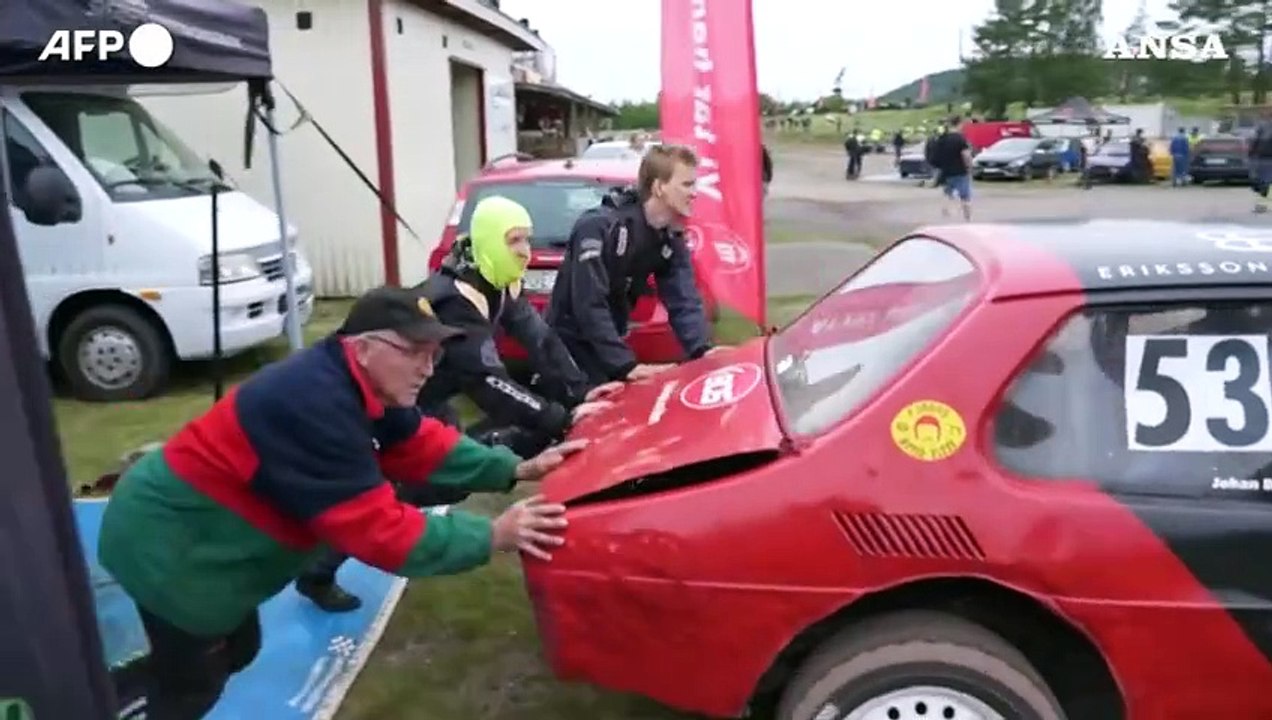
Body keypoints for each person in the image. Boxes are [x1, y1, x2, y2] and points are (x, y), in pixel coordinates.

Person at [97, 286, 583, 719]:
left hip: (191, 536)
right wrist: (493, 534)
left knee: (237, 651)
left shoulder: (360, 381)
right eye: (414, 350)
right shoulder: (315, 405)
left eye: (434, 353)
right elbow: (378, 530)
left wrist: (511, 468)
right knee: (193, 686)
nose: (428, 368)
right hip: (168, 545)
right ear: (364, 348)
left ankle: (110, 692)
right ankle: (112, 697)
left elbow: (419, 442)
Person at [294, 197, 621, 613]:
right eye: (514, 241)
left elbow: (541, 340)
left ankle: (369, 529)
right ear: (488, 242)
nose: (525, 251)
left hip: (426, 398)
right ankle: (316, 571)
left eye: (527, 239)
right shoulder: (458, 301)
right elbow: (489, 383)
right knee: (386, 497)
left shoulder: (496, 280)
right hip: (378, 403)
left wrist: (579, 392)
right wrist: (562, 418)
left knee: (442, 481)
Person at [546, 143, 716, 385]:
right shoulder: (600, 227)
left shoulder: (669, 235)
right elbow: (589, 304)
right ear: (659, 187)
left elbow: (683, 298)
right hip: (567, 348)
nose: (695, 193)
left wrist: (703, 350)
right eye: (687, 184)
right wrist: (624, 365)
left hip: (606, 347)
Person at [931, 118, 973, 220]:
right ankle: (967, 218)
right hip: (960, 172)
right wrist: (969, 167)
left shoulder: (942, 138)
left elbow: (936, 155)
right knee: (965, 196)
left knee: (947, 194)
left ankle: (945, 215)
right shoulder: (960, 139)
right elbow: (966, 155)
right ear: (959, 124)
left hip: (946, 172)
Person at [1249, 116, 1272, 213]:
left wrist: (1251, 153)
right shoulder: (1263, 126)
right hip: (1265, 158)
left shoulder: (1262, 126)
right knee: (1264, 183)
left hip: (1263, 158)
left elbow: (1254, 141)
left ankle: (1261, 205)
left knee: (1263, 182)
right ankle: (1261, 205)